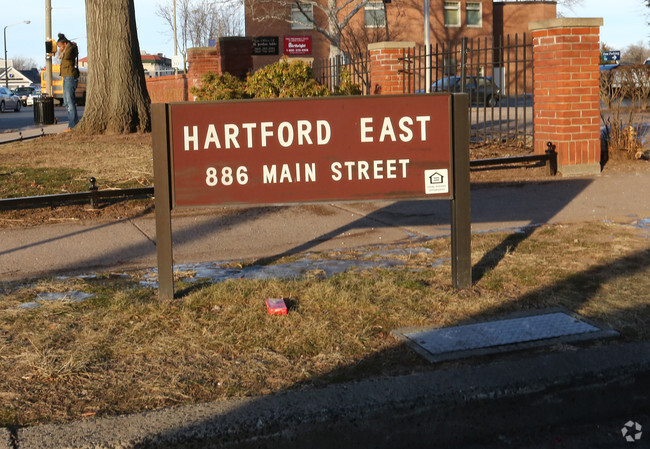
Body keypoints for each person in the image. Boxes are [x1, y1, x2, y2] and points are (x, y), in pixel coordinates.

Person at [57, 33, 80, 130]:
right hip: (66, 77)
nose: (59, 49)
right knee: (66, 102)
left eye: (60, 46)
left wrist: (69, 46)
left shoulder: (70, 49)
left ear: (65, 44)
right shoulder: (67, 49)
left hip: (70, 77)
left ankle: (72, 125)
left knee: (70, 101)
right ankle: (73, 122)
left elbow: (67, 56)